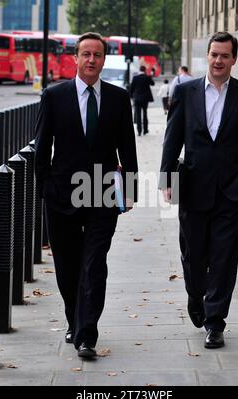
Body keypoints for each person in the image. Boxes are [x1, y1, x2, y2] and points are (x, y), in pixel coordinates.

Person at [35, 32, 138, 358]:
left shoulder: (119, 99)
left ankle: (86, 335)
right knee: (67, 265)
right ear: (75, 58)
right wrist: (44, 189)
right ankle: (73, 320)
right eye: (86, 54)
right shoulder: (54, 96)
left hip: (103, 193)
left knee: (94, 264)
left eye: (97, 54)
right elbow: (42, 147)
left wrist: (130, 191)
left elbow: (128, 147)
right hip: (62, 194)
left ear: (104, 60)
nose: (91, 60)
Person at [159, 32, 238, 349]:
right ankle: (196, 295)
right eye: (214, 54)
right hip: (191, 188)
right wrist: (167, 180)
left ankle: (215, 321)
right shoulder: (186, 91)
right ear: (207, 56)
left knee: (224, 258)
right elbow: (172, 137)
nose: (218, 61)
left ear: (234, 59)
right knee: (193, 257)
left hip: (231, 193)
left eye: (224, 56)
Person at [130, 65, 154, 136]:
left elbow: (132, 88)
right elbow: (152, 83)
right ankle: (145, 130)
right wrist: (150, 76)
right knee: (145, 114)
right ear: (145, 70)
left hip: (137, 98)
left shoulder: (135, 78)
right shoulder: (147, 77)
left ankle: (139, 131)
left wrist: (131, 96)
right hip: (145, 98)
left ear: (139, 70)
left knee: (138, 115)